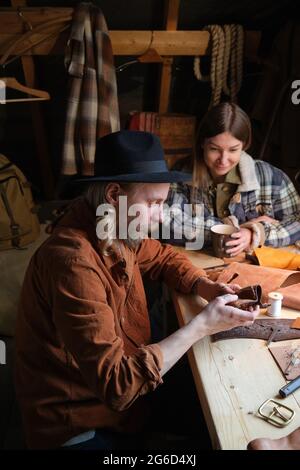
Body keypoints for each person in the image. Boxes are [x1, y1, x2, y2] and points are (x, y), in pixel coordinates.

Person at [15, 130, 257, 450]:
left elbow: (162, 256)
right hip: (76, 419)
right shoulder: (73, 263)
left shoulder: (113, 223)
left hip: (127, 395)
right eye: (155, 203)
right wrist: (202, 325)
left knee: (226, 411)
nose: (160, 215)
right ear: (115, 194)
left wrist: (205, 285)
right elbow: (117, 387)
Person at [165, 102, 300, 255]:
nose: (223, 160)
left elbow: (297, 222)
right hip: (201, 268)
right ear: (202, 143)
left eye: (233, 150)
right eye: (214, 149)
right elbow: (166, 221)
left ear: (245, 145)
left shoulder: (271, 177)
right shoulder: (180, 175)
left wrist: (256, 233)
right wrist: (237, 229)